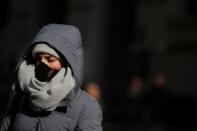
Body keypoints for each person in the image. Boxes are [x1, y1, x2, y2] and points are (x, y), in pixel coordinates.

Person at [0, 24, 103, 131]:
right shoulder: (21, 95)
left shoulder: (86, 107)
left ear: (67, 63)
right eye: (39, 58)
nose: (42, 63)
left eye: (50, 59)